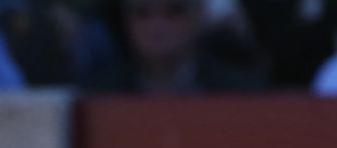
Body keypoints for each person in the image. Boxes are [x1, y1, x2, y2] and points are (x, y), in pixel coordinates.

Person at [84, 0, 263, 92]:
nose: (157, 25)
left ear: (198, 16)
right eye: (142, 13)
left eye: (174, 11)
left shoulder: (238, 93)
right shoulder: (97, 94)